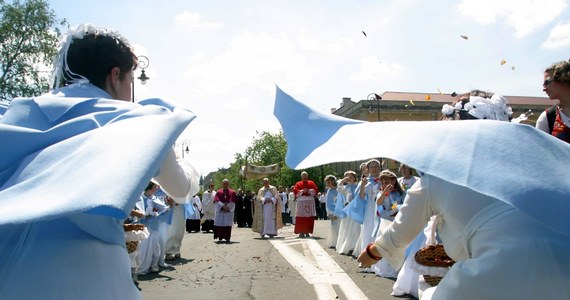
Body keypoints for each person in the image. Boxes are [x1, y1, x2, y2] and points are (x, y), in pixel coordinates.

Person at [275, 87, 570, 299]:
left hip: (497, 268)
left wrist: (371, 252)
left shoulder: (439, 177)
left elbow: (401, 230)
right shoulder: (537, 161)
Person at [0, 24, 199, 299]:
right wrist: (181, 160)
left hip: (8, 263)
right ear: (115, 75)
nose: (130, 90)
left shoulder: (18, 112)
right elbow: (180, 189)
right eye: (131, 80)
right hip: (89, 268)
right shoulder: (138, 121)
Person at [536, 60, 570, 143]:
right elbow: (540, 151)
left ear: (564, 78)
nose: (544, 89)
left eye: (547, 82)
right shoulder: (548, 117)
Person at [335, 170, 360, 255]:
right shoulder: (345, 188)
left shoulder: (358, 186)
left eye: (351, 177)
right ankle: (348, 246)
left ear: (355, 178)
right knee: (348, 228)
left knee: (356, 228)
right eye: (347, 177)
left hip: (356, 209)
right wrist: (343, 180)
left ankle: (355, 246)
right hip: (348, 210)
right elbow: (338, 188)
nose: (349, 179)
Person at [293, 171, 318, 238]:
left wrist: (308, 191)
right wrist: (302, 191)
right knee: (300, 218)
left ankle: (307, 231)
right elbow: (295, 191)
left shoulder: (311, 183)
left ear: (307, 177)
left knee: (308, 217)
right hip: (301, 203)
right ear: (301, 177)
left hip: (309, 202)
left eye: (305, 177)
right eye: (303, 177)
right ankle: (301, 232)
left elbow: (315, 190)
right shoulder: (298, 183)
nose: (304, 178)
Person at [324, 175, 340, 248]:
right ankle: (335, 242)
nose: (326, 184)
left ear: (331, 182)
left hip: (340, 210)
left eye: (327, 182)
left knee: (340, 227)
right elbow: (328, 203)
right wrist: (330, 213)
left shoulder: (338, 189)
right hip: (334, 212)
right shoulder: (329, 191)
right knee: (335, 227)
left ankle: (340, 241)